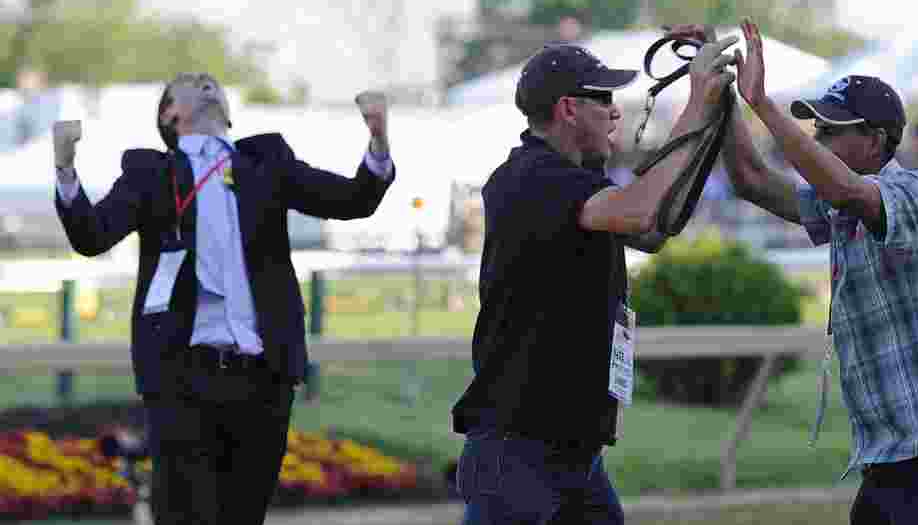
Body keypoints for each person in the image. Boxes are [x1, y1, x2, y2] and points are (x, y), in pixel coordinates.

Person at [53, 73, 396, 525]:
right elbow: (92, 235)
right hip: (181, 378)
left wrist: (378, 140)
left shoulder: (268, 164)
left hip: (262, 379)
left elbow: (352, 200)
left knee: (243, 515)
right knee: (182, 515)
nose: (206, 84)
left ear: (229, 115)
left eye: (212, 83)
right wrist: (65, 168)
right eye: (192, 83)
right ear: (169, 115)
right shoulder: (151, 174)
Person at [450, 31, 739, 524]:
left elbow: (654, 227)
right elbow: (639, 210)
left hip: (571, 452)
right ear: (568, 109)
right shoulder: (528, 177)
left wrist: (709, 115)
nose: (615, 111)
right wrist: (694, 103)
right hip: (519, 449)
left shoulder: (577, 182)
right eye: (603, 99)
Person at [717, 19, 918, 524]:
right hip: (888, 466)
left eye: (830, 130)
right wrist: (723, 92)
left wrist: (764, 105)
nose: (817, 138)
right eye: (817, 129)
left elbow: (846, 189)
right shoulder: (837, 205)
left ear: (876, 141)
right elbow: (752, 180)